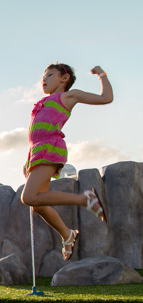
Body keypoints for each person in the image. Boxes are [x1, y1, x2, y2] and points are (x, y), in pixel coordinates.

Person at [21, 64, 112, 260]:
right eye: (43, 76)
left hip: (50, 148)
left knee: (28, 197)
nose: (43, 79)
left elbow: (106, 98)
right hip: (38, 151)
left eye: (50, 75)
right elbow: (35, 134)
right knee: (38, 205)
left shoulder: (68, 96)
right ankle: (68, 235)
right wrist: (28, 159)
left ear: (64, 78)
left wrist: (102, 75)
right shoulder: (43, 102)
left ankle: (85, 199)